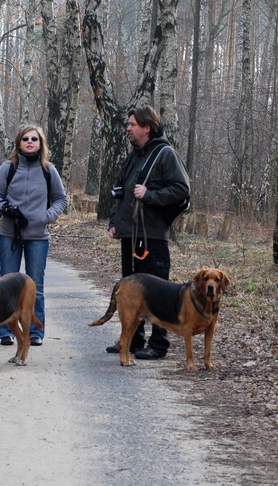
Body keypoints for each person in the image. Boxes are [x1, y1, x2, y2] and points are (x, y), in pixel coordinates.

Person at [105, 104, 190, 360]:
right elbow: (120, 190)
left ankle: (159, 344)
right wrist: (114, 222)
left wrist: (150, 195)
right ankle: (133, 340)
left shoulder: (165, 154)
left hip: (152, 235)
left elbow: (181, 189)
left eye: (131, 124)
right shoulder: (134, 155)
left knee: (158, 291)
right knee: (133, 289)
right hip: (130, 235)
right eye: (127, 125)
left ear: (147, 127)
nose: (127, 129)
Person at [0, 124, 67, 346]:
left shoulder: (48, 170)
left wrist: (47, 216)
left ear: (41, 144)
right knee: (5, 284)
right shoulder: (8, 168)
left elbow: (61, 199)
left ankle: (35, 331)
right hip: (9, 235)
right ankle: (4, 329)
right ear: (19, 143)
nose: (30, 142)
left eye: (34, 139)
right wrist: (4, 207)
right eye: (25, 139)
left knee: (36, 286)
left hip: (38, 237)